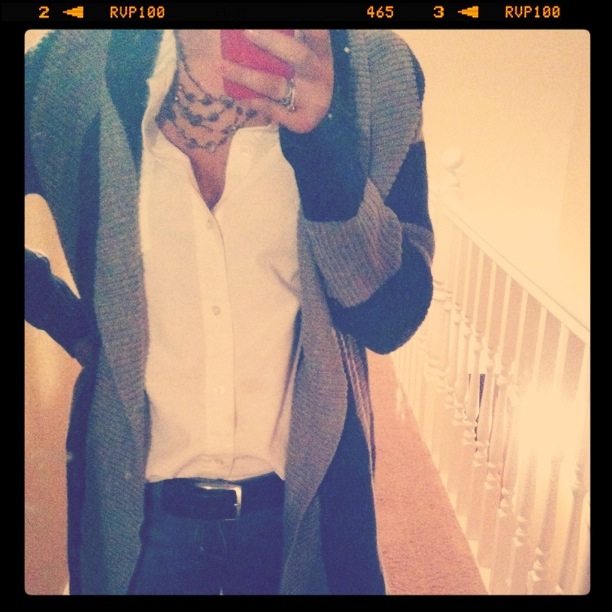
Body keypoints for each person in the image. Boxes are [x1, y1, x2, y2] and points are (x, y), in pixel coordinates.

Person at [24, 28, 434, 595]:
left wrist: (322, 143)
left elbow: (392, 318)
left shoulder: (377, 71)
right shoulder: (68, 70)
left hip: (302, 516)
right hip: (138, 525)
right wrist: (75, 325)